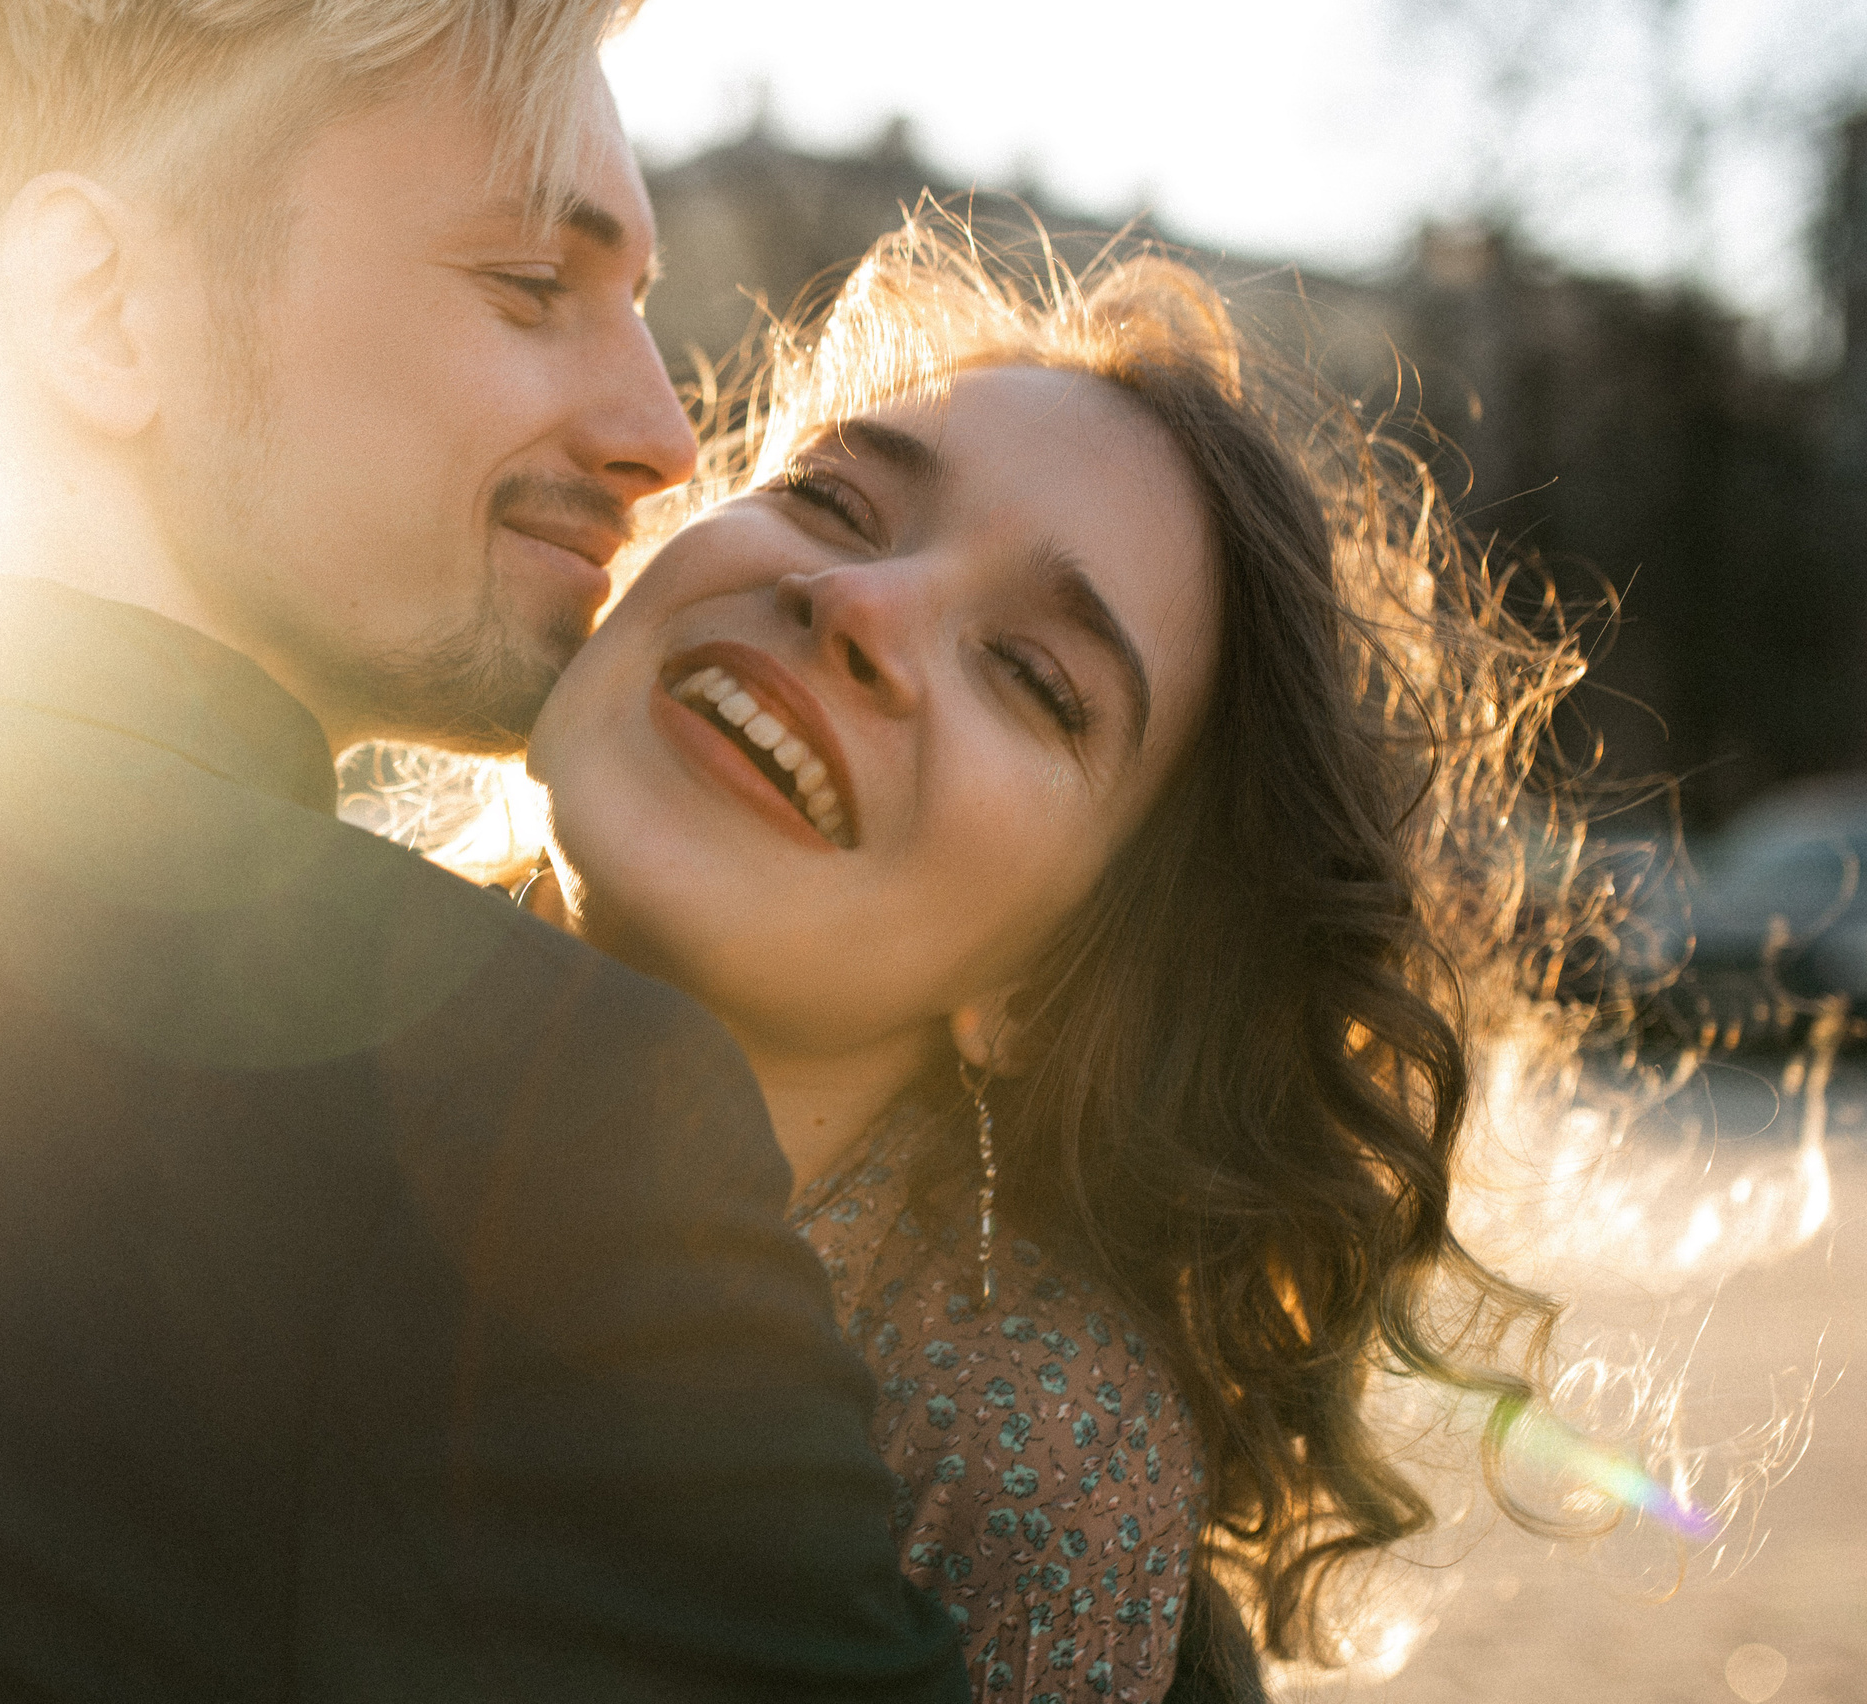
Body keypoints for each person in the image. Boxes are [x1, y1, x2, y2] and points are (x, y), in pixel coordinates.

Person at [0, 5, 971, 1700]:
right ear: (99, 306)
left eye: (642, 313)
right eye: (531, 288)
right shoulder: (537, 1098)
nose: (662, 429)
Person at [515, 215, 1594, 1700]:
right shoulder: (198, 1023)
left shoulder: (1007, 1458)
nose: (861, 604)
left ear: (1043, 985)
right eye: (831, 500)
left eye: (1032, 675)